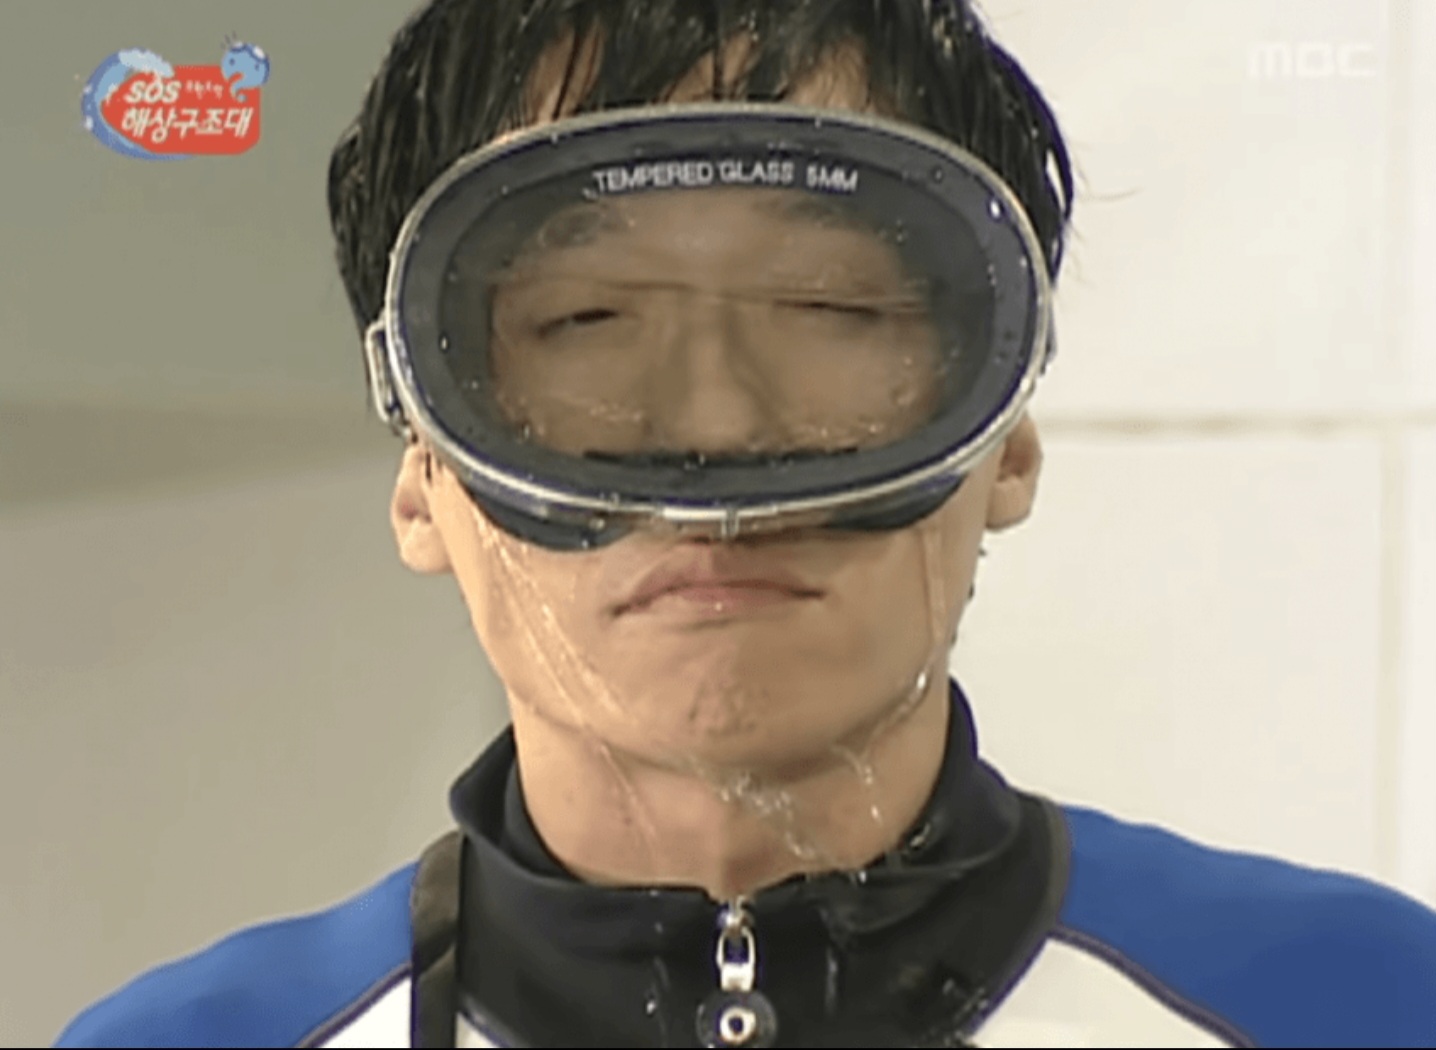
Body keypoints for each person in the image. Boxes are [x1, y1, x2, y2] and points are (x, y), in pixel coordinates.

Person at [54, 1, 1436, 1047]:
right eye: (586, 325)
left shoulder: (1362, 1003)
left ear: (1006, 439)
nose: (715, 436)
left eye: (832, 315)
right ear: (425, 476)